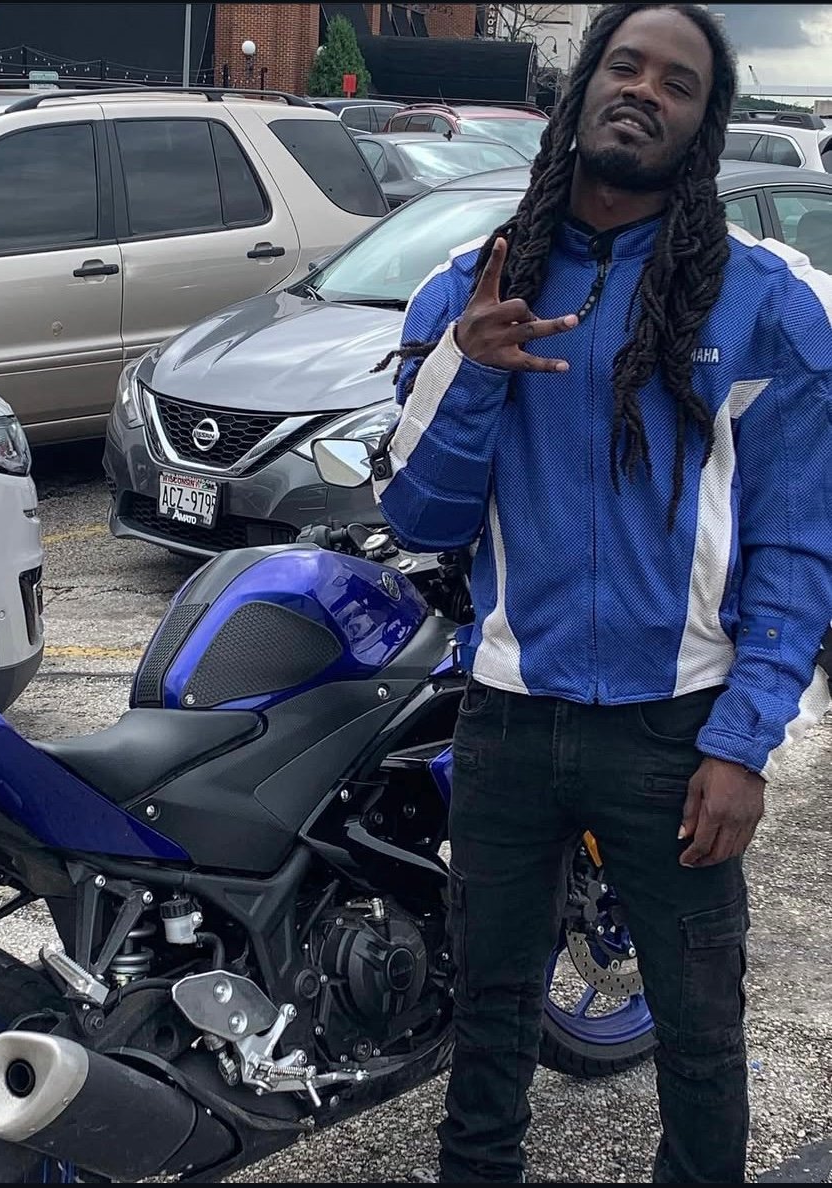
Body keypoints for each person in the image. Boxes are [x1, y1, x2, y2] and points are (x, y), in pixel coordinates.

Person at [368, 3, 832, 1182]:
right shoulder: (474, 288)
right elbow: (418, 519)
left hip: (677, 738)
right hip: (506, 721)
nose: (644, 90)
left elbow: (795, 549)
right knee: (488, 1024)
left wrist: (744, 743)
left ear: (703, 124)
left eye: (678, 82)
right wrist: (472, 368)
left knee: (702, 1038)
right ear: (579, 90)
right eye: (625, 65)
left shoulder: (768, 304)